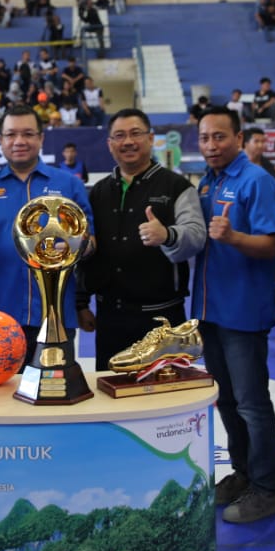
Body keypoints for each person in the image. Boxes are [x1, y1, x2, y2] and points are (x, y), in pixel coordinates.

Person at [193, 106, 275, 524]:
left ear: (238, 137)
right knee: (226, 400)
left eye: (219, 137)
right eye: (204, 138)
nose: (211, 146)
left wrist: (234, 237)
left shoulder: (256, 180)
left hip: (244, 311)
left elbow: (272, 245)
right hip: (211, 310)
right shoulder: (208, 181)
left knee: (251, 404)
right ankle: (243, 472)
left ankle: (266, 488)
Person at [0, 104, 94, 363]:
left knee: (55, 396)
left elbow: (91, 243)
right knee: (1, 399)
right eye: (11, 135)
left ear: (41, 138)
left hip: (57, 316)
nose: (19, 141)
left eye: (28, 134)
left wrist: (77, 245)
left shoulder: (69, 185)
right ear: (0, 141)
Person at [83, 108, 205, 370]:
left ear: (151, 138)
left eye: (136, 133)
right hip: (109, 316)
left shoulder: (177, 187)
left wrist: (167, 235)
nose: (128, 141)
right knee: (111, 393)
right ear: (110, 144)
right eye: (119, 135)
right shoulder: (98, 192)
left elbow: (196, 235)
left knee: (161, 397)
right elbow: (87, 251)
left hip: (161, 319)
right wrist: (81, 303)